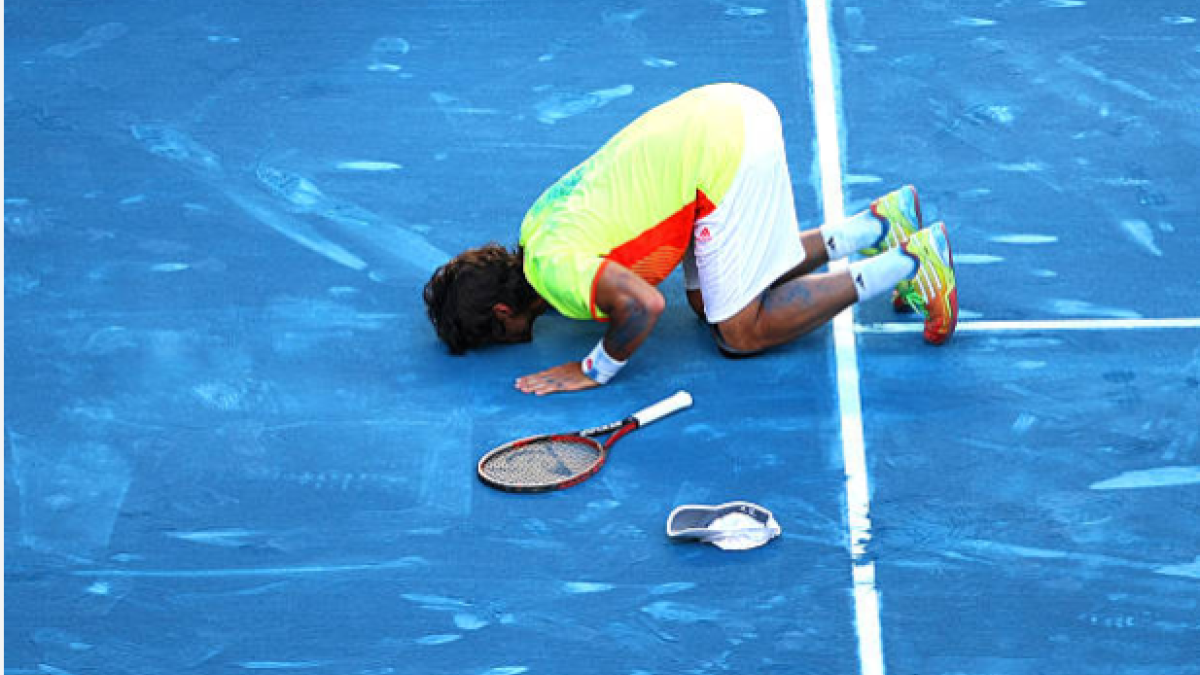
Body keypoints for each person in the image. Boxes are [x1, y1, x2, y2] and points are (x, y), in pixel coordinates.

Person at [424, 83, 957, 396]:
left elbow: (645, 305)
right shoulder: (535, 229)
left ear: (501, 309)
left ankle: (911, 262)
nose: (503, 340)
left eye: (493, 333)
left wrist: (595, 368)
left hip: (725, 157)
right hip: (723, 115)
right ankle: (879, 224)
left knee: (740, 333)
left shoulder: (559, 278)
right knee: (709, 306)